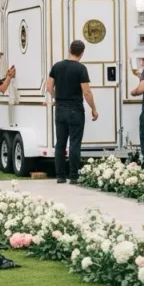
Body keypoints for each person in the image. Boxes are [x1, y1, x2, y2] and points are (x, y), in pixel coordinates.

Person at [46, 39, 98, 184]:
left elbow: (49, 87)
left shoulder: (57, 66)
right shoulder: (81, 69)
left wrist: (57, 97)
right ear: (82, 53)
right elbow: (86, 92)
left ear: (69, 50)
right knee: (75, 143)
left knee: (60, 143)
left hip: (60, 109)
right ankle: (74, 176)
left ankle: (60, 176)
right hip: (75, 109)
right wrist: (93, 109)